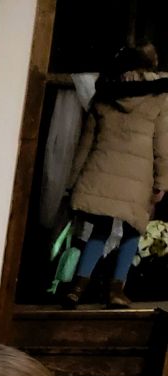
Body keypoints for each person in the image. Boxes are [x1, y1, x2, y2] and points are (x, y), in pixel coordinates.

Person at [61, 42, 168, 310]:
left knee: (99, 229)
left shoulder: (104, 95)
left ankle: (77, 287)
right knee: (133, 231)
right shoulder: (158, 97)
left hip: (101, 169)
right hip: (137, 176)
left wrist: (73, 182)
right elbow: (162, 143)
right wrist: (162, 181)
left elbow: (85, 143)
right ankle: (116, 291)